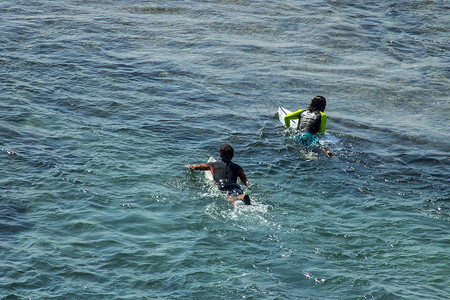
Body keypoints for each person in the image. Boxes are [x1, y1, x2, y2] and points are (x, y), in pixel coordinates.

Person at [185, 144, 251, 206]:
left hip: (222, 187)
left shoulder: (212, 165)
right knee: (238, 194)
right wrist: (247, 185)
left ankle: (235, 203)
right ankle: (242, 197)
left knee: (230, 198)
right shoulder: (237, 167)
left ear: (220, 155)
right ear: (232, 155)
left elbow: (199, 167)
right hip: (235, 187)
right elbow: (244, 180)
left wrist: (191, 167)